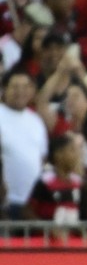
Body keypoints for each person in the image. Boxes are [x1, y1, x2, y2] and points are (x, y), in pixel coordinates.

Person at [0, 68, 48, 219]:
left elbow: (42, 158)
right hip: (4, 204)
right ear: (4, 89)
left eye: (26, 86)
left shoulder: (36, 121)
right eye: (15, 86)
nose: (21, 91)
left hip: (30, 205)